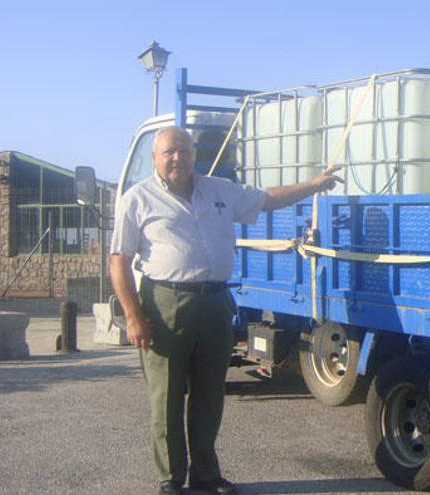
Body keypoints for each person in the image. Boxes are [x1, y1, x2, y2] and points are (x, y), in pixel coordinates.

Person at [109, 126, 341, 495]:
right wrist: (134, 316)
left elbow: (267, 199)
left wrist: (313, 185)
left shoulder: (218, 189)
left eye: (183, 151)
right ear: (155, 157)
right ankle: (170, 478)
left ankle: (206, 474)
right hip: (166, 304)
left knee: (209, 394)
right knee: (167, 396)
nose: (177, 158)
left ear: (192, 155)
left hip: (215, 303)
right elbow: (118, 262)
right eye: (169, 151)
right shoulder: (138, 199)